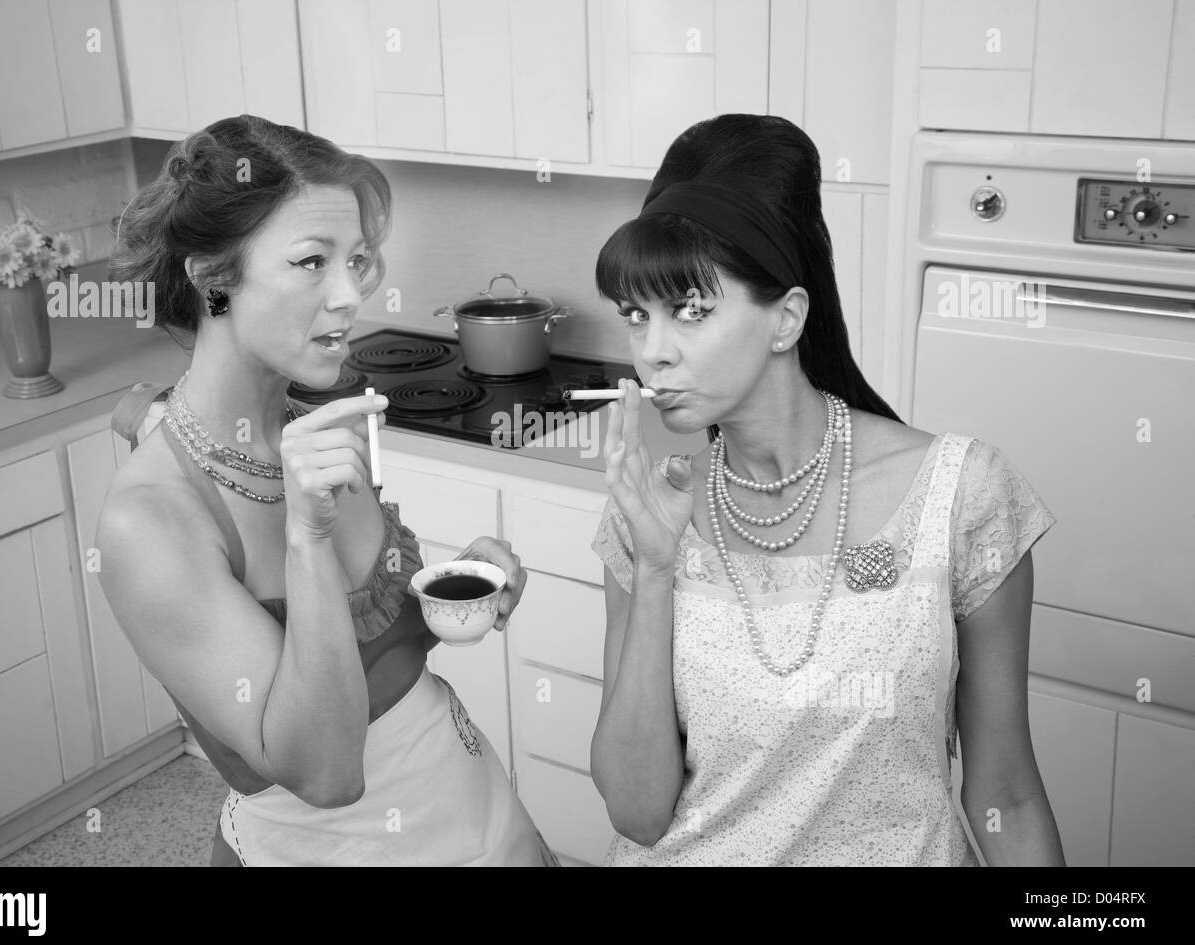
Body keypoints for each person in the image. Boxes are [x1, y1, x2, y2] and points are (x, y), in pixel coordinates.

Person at [588, 114, 1066, 866]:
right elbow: (637, 811)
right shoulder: (648, 516)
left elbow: (1006, 792)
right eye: (635, 317)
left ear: (786, 319)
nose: (653, 354)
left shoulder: (961, 497)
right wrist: (653, 569)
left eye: (691, 312)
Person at [96, 114, 557, 866]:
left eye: (359, 261)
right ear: (213, 277)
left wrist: (455, 586)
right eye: (313, 262)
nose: (350, 295)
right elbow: (325, 771)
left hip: (473, 806)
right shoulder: (150, 525)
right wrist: (305, 538)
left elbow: (368, 645)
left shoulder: (315, 426)